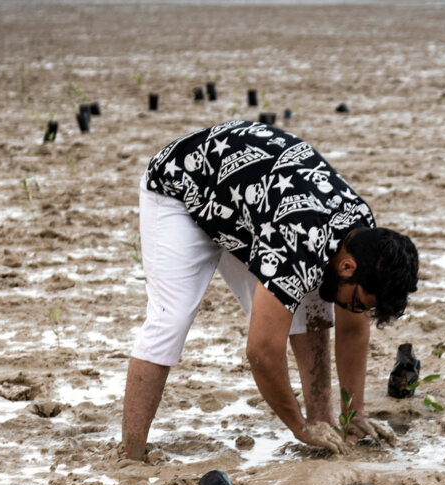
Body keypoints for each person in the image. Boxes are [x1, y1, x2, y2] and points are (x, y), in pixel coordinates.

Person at [121, 119, 419, 461]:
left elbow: (352, 330)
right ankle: (131, 455)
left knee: (313, 302)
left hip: (247, 206)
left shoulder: (361, 233)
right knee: (169, 320)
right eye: (358, 302)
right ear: (348, 266)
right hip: (181, 186)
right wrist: (298, 427)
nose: (355, 311)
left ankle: (326, 422)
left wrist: (356, 413)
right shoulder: (298, 246)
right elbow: (261, 351)